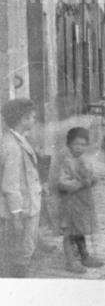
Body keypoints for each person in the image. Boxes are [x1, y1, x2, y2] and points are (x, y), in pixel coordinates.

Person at [50, 127, 103, 273]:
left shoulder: (84, 159)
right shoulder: (65, 160)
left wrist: (92, 179)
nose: (79, 148)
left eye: (83, 144)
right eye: (76, 144)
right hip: (69, 203)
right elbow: (61, 182)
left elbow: (92, 176)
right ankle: (70, 261)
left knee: (80, 231)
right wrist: (80, 183)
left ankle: (84, 255)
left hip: (82, 203)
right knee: (69, 233)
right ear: (69, 144)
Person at [0, 98, 42, 277]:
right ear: (22, 119)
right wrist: (16, 216)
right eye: (32, 117)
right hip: (22, 209)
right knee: (21, 250)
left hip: (28, 203)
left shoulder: (17, 139)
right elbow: (10, 185)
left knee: (26, 246)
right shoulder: (12, 146)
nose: (34, 120)